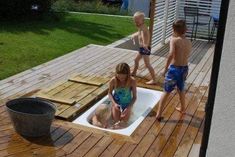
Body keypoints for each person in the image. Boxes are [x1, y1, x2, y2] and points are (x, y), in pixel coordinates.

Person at [155, 19, 192, 121]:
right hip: (185, 68)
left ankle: (159, 114)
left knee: (166, 91)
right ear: (186, 30)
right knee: (181, 88)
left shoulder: (174, 40)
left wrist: (165, 69)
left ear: (174, 30)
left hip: (174, 69)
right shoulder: (189, 41)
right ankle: (183, 108)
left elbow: (171, 54)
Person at [131, 11, 156, 85]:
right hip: (142, 48)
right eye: (135, 21)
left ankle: (154, 79)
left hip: (145, 48)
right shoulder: (141, 26)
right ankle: (134, 72)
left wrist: (145, 44)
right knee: (136, 60)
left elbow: (142, 34)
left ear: (142, 21)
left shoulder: (143, 27)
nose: (136, 23)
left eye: (137, 21)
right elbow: (139, 33)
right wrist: (134, 35)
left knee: (147, 64)